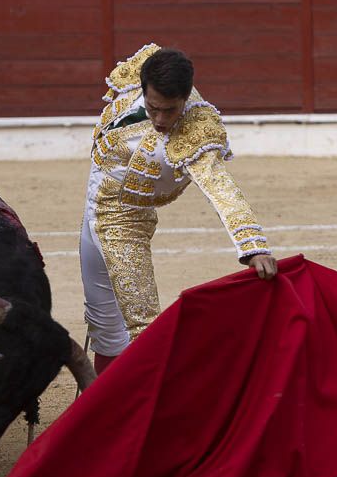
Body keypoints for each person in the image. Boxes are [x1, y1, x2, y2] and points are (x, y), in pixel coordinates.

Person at [80, 44, 277, 374]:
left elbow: (221, 189)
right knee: (103, 323)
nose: (159, 119)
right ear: (144, 89)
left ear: (185, 99)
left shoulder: (197, 133)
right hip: (91, 213)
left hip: (125, 224)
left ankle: (143, 413)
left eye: (169, 111)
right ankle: (102, 409)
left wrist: (253, 247)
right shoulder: (144, 72)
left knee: (142, 332)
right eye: (153, 108)